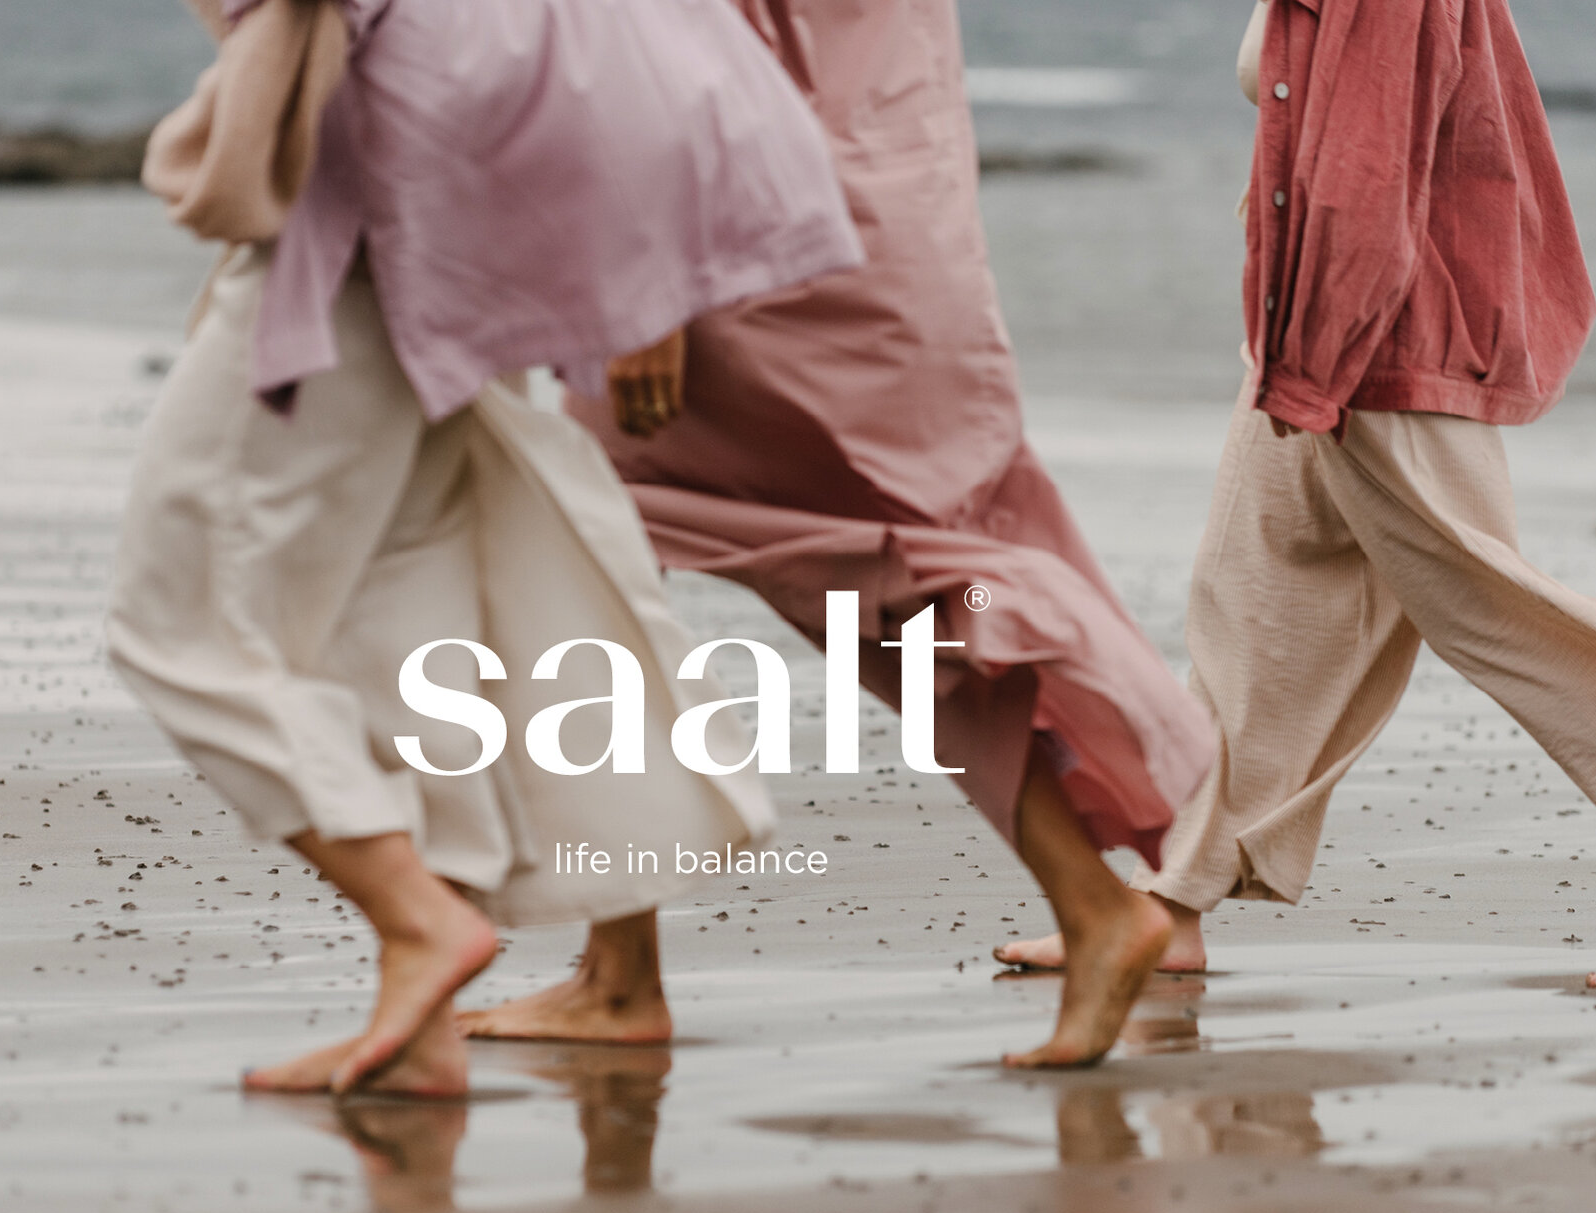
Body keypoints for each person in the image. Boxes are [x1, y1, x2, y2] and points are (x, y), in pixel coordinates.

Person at [108, 0, 866, 1095]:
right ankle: (417, 1027)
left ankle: (418, 921)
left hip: (377, 209)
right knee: (402, 626)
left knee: (183, 626)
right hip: (454, 214)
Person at [458, 0, 1219, 1068]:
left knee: (593, 567)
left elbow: (666, 56)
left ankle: (624, 979)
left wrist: (647, 296)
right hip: (889, 253)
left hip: (733, 266)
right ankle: (1093, 904)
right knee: (891, 582)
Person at [997, 0, 1596, 992]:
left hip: (1374, 348)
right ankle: (1171, 903)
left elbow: (1365, 184)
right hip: (1316, 334)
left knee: (1498, 615)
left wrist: (1314, 367)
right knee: (1254, 614)